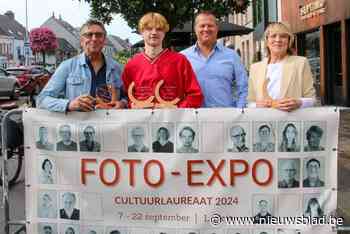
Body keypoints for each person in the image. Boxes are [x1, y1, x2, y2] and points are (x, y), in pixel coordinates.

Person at [37, 19, 125, 112]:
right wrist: (69, 104)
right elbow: (42, 100)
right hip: (79, 125)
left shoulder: (117, 68)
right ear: (82, 41)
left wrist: (122, 103)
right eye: (89, 35)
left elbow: (126, 97)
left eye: (99, 35)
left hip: (109, 124)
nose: (94, 38)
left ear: (104, 40)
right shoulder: (67, 66)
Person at [121, 12, 203, 108]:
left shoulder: (180, 61)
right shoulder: (132, 65)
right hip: (140, 121)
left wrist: (178, 109)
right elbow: (125, 97)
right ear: (141, 32)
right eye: (149, 29)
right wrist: (132, 105)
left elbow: (195, 95)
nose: (154, 32)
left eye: (159, 29)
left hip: (173, 121)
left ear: (164, 32)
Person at [181, 11, 248, 108]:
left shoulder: (232, 56)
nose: (206, 29)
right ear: (195, 29)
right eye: (202, 25)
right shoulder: (183, 57)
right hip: (193, 118)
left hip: (226, 117)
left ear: (217, 28)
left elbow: (243, 87)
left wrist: (239, 111)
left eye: (210, 25)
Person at [248, 22, 316, 112]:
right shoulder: (255, 68)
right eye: (273, 36)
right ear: (267, 41)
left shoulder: (300, 63)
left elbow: (312, 100)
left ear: (289, 41)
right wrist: (258, 105)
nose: (278, 40)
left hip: (291, 122)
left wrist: (299, 103)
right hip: (263, 121)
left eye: (283, 36)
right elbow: (249, 103)